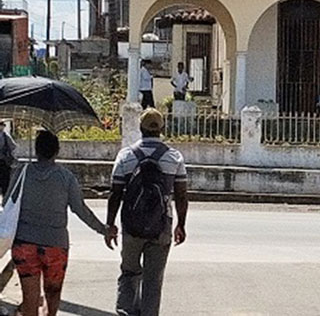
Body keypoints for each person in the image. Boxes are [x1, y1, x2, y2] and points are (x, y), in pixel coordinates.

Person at [8, 130, 113, 316]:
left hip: (24, 243)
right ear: (57, 151)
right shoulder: (66, 177)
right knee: (53, 294)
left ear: (36, 150)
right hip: (55, 245)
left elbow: (7, 202)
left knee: (30, 296)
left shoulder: (21, 173)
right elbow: (81, 210)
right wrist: (103, 229)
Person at [106, 108, 188, 316]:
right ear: (162, 129)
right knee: (153, 280)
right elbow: (181, 196)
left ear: (140, 128)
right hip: (162, 227)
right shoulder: (174, 157)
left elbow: (115, 194)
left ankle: (125, 312)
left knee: (129, 274)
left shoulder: (125, 156)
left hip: (131, 227)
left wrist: (110, 225)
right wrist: (181, 225)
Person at [0, 121, 17, 196]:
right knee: (5, 184)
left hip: (4, 162)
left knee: (5, 184)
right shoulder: (5, 135)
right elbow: (13, 147)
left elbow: (13, 147)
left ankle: (5, 199)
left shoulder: (5, 135)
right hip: (3, 162)